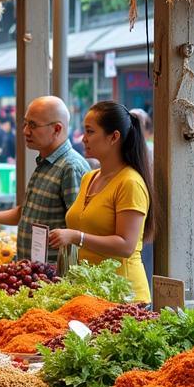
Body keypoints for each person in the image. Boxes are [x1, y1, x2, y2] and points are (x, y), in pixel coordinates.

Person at [0, 96, 89, 264]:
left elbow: (79, 230)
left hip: (54, 277)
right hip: (32, 271)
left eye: (33, 125)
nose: (25, 131)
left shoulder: (71, 167)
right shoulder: (45, 162)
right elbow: (25, 213)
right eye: (25, 123)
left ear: (57, 129)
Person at [47, 101, 153, 301]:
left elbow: (126, 245)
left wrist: (77, 237)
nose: (83, 138)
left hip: (124, 297)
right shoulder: (90, 177)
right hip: (91, 293)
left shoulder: (130, 182)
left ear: (114, 137)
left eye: (90, 131)